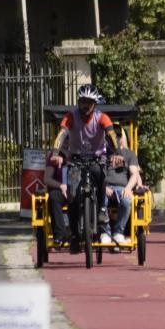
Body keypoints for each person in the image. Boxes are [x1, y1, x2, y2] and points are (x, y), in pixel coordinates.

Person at [50, 84, 119, 252]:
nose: (85, 105)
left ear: (95, 104)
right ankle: (74, 235)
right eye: (82, 102)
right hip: (76, 160)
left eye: (89, 102)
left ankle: (102, 209)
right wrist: (55, 152)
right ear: (78, 102)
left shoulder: (102, 117)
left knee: (99, 173)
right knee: (72, 196)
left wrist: (118, 152)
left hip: (97, 158)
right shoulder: (70, 117)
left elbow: (111, 134)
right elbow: (62, 134)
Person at [100, 124, 143, 245]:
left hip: (122, 187)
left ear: (120, 138)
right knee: (100, 200)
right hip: (104, 186)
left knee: (127, 201)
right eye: (110, 138)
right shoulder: (101, 154)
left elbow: (134, 174)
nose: (114, 140)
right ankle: (105, 232)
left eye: (117, 137)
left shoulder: (129, 154)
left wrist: (128, 188)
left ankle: (119, 232)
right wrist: (104, 187)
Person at [42, 149, 70, 245]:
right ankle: (60, 235)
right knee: (53, 197)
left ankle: (83, 232)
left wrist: (65, 161)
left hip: (76, 188)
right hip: (60, 190)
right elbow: (47, 179)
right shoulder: (54, 156)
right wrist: (61, 186)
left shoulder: (83, 153)